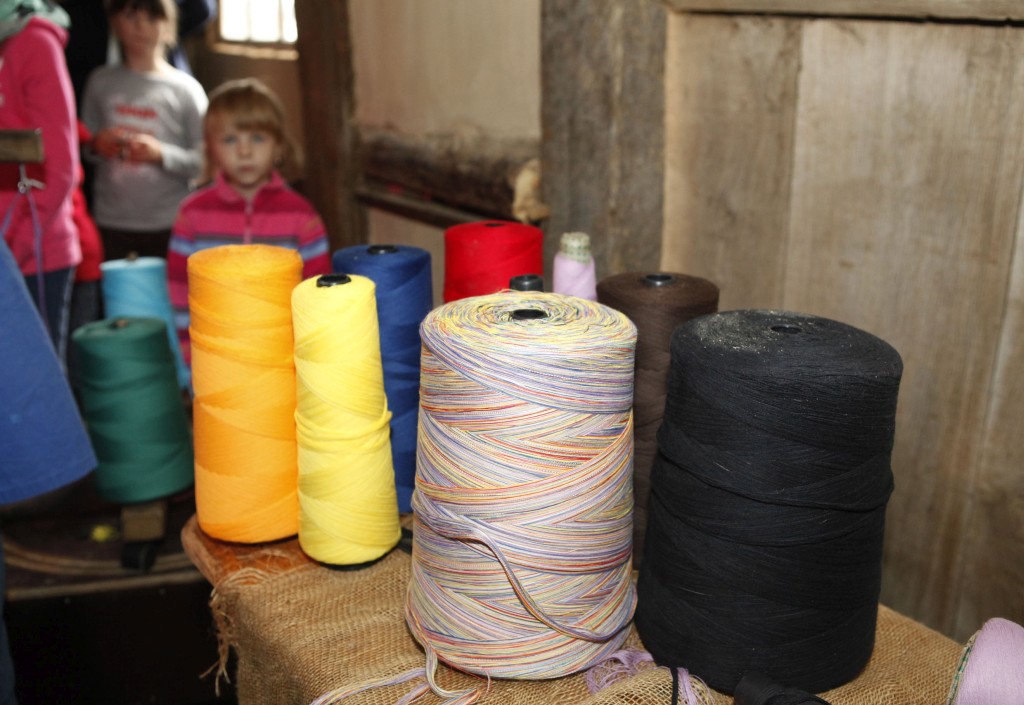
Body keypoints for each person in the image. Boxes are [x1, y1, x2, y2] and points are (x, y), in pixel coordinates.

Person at [167, 78, 331, 365]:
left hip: (283, 360)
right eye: (230, 140)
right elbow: (180, 291)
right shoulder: (191, 215)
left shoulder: (302, 217)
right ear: (211, 148)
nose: (244, 151)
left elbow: (318, 293)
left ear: (278, 146)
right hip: (215, 358)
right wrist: (190, 353)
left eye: (257, 138)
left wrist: (310, 358)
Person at [80, 0, 207, 262]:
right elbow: (81, 146)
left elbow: (206, 161)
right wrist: (97, 144)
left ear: (168, 25)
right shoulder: (99, 82)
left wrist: (161, 154)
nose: (140, 26)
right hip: (111, 221)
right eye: (130, 16)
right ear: (114, 22)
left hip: (169, 222)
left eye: (151, 17)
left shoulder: (186, 90)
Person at [0, 0, 82, 362]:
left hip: (33, 255)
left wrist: (11, 253)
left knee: (35, 378)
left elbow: (59, 167)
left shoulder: (34, 43)